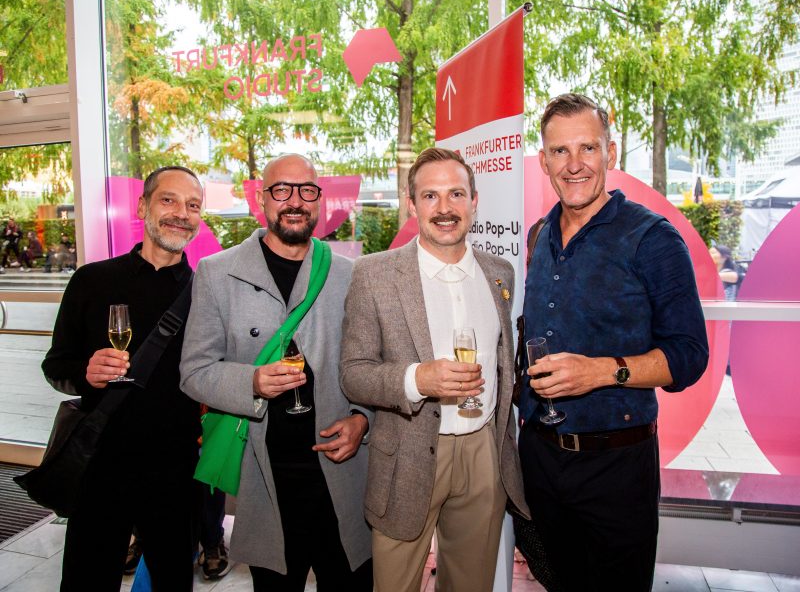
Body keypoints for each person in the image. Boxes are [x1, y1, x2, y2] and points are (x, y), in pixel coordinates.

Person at [519, 93, 709, 591]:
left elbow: (689, 356)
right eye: (560, 151)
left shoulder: (653, 239)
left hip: (617, 468)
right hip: (540, 459)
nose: (574, 164)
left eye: (588, 147)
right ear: (543, 161)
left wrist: (600, 371)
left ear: (611, 152)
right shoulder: (539, 236)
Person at [339, 147, 530, 592]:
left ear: (474, 201)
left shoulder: (499, 273)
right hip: (407, 452)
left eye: (456, 194)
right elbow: (353, 372)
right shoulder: (373, 275)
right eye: (430, 196)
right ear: (412, 204)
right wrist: (417, 379)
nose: (445, 208)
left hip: (483, 453)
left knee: (471, 584)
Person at [180, 153, 372, 591]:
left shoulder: (351, 274)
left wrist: (363, 419)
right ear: (262, 200)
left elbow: (372, 363)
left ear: (319, 201)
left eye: (307, 190)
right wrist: (251, 382)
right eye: (282, 190)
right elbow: (193, 372)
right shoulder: (217, 273)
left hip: (340, 475)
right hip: (266, 479)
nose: (295, 201)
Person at [41, 166, 205, 591]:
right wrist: (86, 373)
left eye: (193, 205)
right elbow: (56, 366)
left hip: (175, 467)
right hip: (101, 462)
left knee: (172, 581)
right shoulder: (92, 280)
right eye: (168, 200)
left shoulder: (207, 293)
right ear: (142, 207)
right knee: (87, 580)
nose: (181, 213)